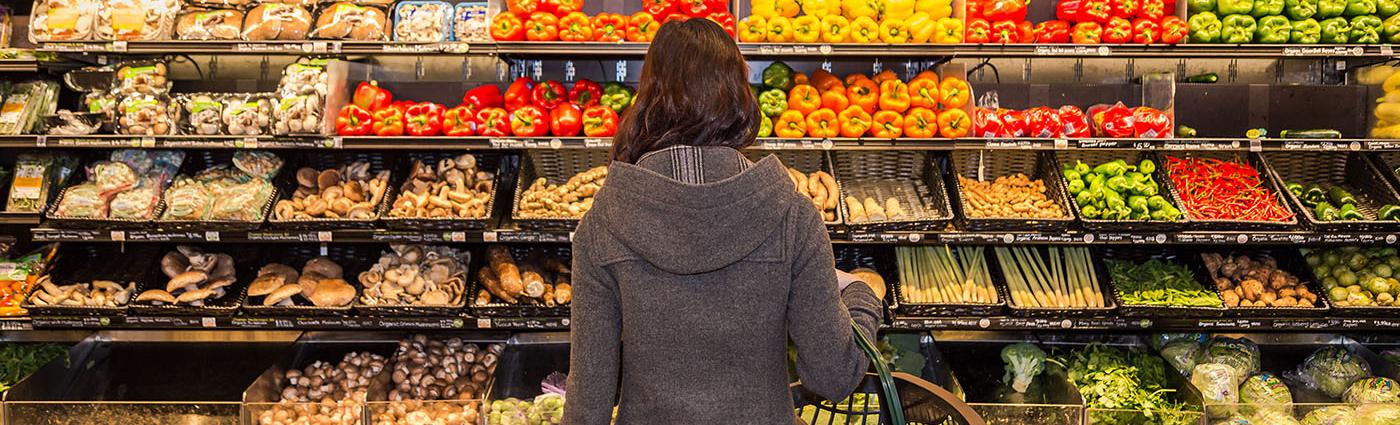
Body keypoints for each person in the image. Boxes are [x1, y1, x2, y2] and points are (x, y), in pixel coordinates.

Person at [562, 18, 885, 425]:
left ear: (647, 96)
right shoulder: (793, 216)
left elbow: (588, 399)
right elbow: (833, 376)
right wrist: (861, 297)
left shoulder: (603, 222)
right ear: (738, 95)